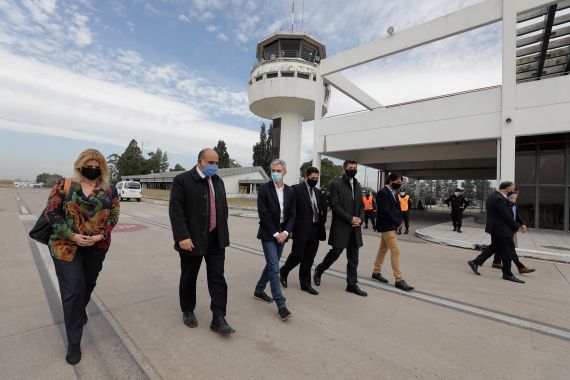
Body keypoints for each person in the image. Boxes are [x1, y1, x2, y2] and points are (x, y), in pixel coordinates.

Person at [44, 148, 120, 365]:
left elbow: (114, 215)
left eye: (97, 167)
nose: (93, 169)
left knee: (87, 285)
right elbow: (52, 213)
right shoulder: (64, 185)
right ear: (80, 165)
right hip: (65, 246)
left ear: (103, 169)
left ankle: (80, 309)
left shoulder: (110, 190)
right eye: (89, 165)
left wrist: (101, 235)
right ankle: (74, 342)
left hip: (96, 247)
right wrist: (73, 235)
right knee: (73, 291)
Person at [169, 148, 235, 335]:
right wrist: (182, 236)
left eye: (216, 163)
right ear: (200, 161)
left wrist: (223, 231)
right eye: (211, 162)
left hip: (216, 239)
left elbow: (222, 208)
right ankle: (188, 310)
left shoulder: (218, 181)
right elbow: (176, 210)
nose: (214, 166)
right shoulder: (182, 180)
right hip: (192, 239)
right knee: (189, 276)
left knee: (217, 278)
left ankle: (218, 317)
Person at [313, 160, 367, 297]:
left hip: (355, 227)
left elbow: (361, 205)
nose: (353, 170)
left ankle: (352, 284)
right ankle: (320, 269)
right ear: (344, 169)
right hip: (342, 226)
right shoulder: (336, 184)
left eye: (355, 168)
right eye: (350, 168)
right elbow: (335, 205)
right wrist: (351, 219)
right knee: (335, 253)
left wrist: (360, 219)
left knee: (353, 257)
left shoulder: (357, 185)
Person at [254, 159, 296, 320]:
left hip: (283, 233)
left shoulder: (290, 191)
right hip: (268, 233)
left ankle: (259, 289)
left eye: (278, 171)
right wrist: (275, 233)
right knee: (274, 267)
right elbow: (263, 213)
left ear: (284, 172)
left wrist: (285, 232)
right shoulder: (264, 189)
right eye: (273, 170)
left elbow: (293, 214)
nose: (275, 173)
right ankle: (281, 304)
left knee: (272, 264)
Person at [280, 167, 327, 295]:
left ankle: (305, 284)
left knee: (309, 258)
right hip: (301, 229)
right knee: (297, 255)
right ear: (306, 177)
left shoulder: (318, 192)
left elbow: (320, 210)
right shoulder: (296, 189)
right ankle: (284, 270)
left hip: (315, 229)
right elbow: (290, 211)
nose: (315, 180)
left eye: (317, 178)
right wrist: (288, 229)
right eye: (312, 178)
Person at [468, 181, 525, 283]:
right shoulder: (498, 198)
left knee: (494, 247)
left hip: (497, 228)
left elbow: (509, 206)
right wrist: (516, 226)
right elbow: (506, 215)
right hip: (501, 229)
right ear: (508, 188)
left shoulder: (496, 196)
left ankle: (476, 262)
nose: (513, 191)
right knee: (507, 251)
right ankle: (507, 274)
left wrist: (513, 202)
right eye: (512, 189)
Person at [371, 172, 414, 291]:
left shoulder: (393, 193)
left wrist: (400, 221)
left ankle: (376, 271)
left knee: (383, 250)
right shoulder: (382, 193)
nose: (399, 184)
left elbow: (397, 209)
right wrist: (397, 222)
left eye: (400, 182)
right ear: (391, 181)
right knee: (396, 251)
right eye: (398, 182)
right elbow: (386, 211)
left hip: (391, 225)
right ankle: (399, 279)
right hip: (386, 226)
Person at [484, 190, 535, 274]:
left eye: (517, 194)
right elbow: (507, 217)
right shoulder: (504, 204)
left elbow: (517, 215)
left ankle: (495, 262)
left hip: (507, 230)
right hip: (502, 230)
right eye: (516, 194)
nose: (517, 196)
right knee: (510, 249)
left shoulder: (514, 205)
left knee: (498, 246)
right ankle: (520, 267)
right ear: (510, 195)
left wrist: (523, 224)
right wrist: (516, 227)